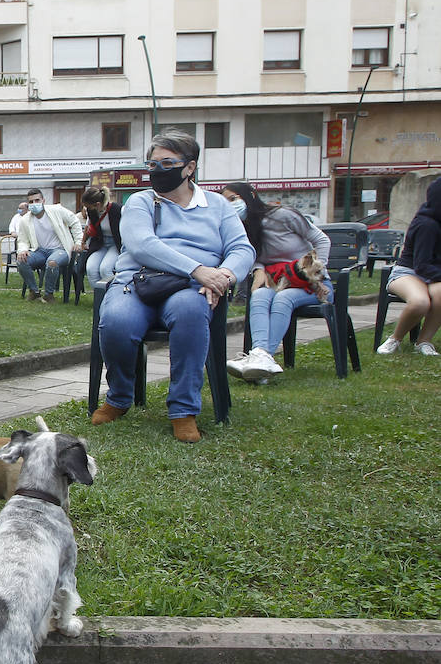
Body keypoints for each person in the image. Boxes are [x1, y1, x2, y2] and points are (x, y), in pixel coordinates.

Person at [92, 130, 254, 443]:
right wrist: (199, 269)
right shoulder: (140, 201)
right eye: (152, 165)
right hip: (138, 279)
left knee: (191, 313)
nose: (157, 171)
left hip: (190, 287)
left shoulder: (218, 206)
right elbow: (141, 244)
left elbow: (243, 249)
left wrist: (225, 275)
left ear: (189, 167)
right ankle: (119, 397)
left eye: (167, 163)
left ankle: (183, 410)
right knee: (116, 322)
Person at [221, 182, 332, 381]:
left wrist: (316, 272)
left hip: (311, 284)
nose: (230, 205)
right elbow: (251, 255)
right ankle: (261, 359)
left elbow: (322, 240)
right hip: (277, 281)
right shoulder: (242, 228)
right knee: (260, 295)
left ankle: (261, 358)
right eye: (225, 201)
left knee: (283, 299)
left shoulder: (283, 215)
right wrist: (259, 269)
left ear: (252, 195)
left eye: (233, 199)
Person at [377, 175, 441, 357]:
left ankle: (424, 341)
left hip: (434, 275)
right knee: (420, 302)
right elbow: (422, 266)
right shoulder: (426, 225)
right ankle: (394, 339)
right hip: (409, 272)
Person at [15, 188, 84, 302]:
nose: (34, 204)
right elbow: (22, 240)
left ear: (43, 200)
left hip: (60, 250)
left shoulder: (57, 210)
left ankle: (49, 295)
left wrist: (78, 242)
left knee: (52, 262)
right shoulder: (25, 220)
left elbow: (74, 221)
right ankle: (34, 292)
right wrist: (22, 250)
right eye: (31, 202)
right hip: (39, 251)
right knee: (21, 261)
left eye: (37, 200)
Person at [80, 184, 123, 288]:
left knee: (105, 269)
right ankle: (98, 299)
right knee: (91, 268)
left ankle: (111, 297)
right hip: (100, 243)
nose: (86, 210)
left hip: (115, 244)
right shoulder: (91, 212)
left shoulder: (117, 210)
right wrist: (83, 242)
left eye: (88, 206)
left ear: (97, 204)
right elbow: (87, 226)